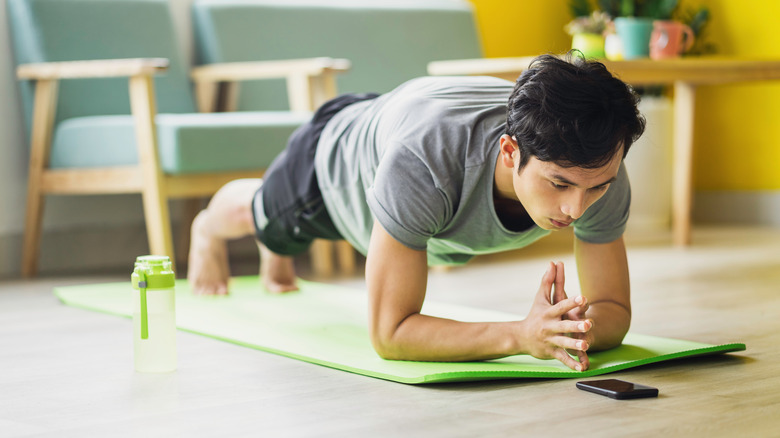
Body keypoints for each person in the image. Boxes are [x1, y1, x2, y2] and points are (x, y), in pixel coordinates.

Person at [187, 52, 646, 372]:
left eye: (596, 188)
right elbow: (391, 334)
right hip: (334, 161)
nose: (576, 207)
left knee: (280, 244)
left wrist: (570, 329)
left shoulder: (597, 166)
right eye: (558, 184)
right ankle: (208, 227)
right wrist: (521, 336)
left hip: (403, 126)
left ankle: (277, 255)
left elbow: (614, 310)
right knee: (265, 217)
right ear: (510, 152)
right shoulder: (424, 161)